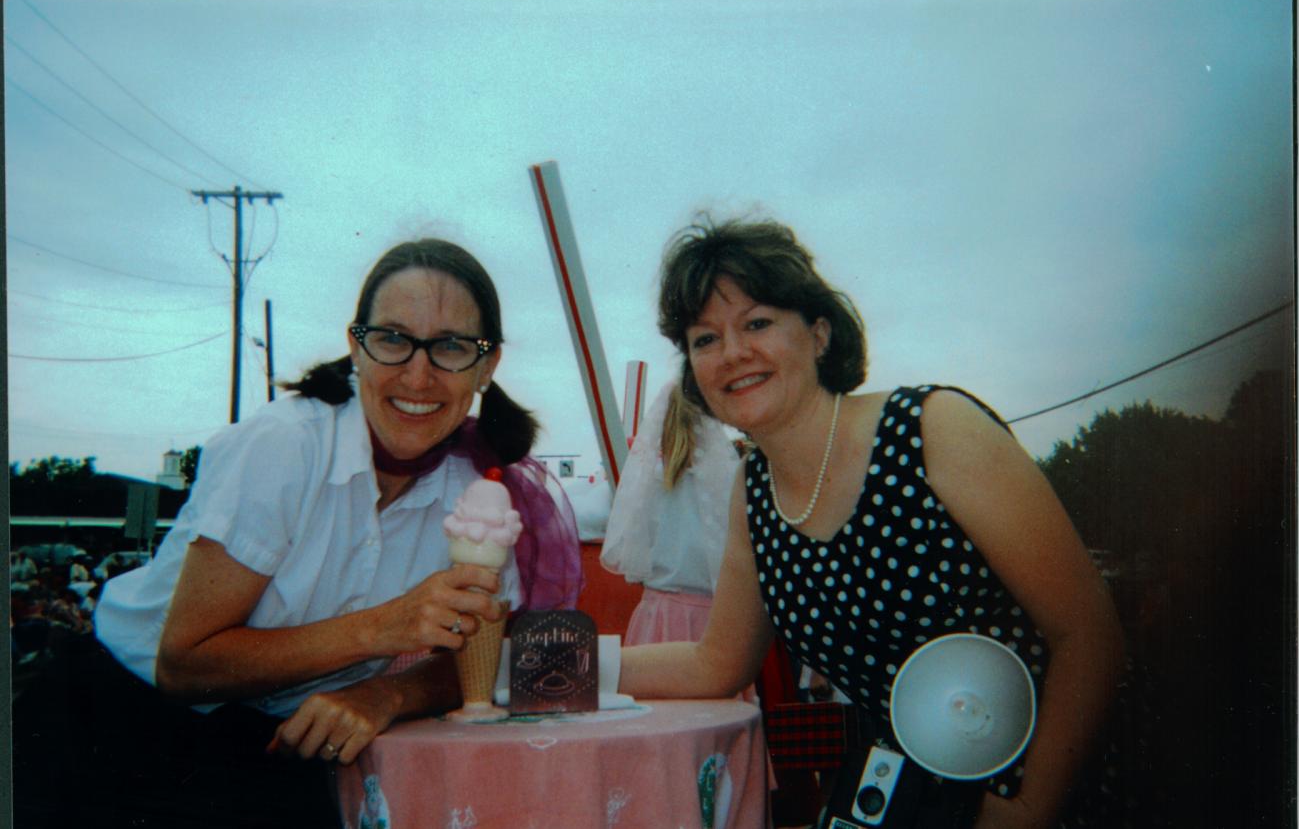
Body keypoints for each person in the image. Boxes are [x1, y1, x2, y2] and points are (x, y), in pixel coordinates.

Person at [14, 238, 582, 829]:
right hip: (112, 725)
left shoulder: (484, 490)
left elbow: (476, 659)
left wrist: (384, 696)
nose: (418, 375)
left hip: (279, 746)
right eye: (392, 339)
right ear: (355, 347)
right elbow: (184, 666)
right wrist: (385, 626)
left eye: (451, 347)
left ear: (486, 366)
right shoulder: (284, 446)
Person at [619, 217, 1126, 829]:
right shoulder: (752, 493)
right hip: (913, 799)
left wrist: (1023, 812)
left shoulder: (934, 430)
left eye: (757, 323)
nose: (732, 354)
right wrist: (556, 668)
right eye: (705, 339)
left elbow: (1088, 631)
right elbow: (716, 664)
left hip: (1051, 785)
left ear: (820, 332)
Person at [601, 379, 738, 644]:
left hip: (657, 613)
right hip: (713, 618)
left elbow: (634, 558)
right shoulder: (728, 479)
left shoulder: (648, 481)